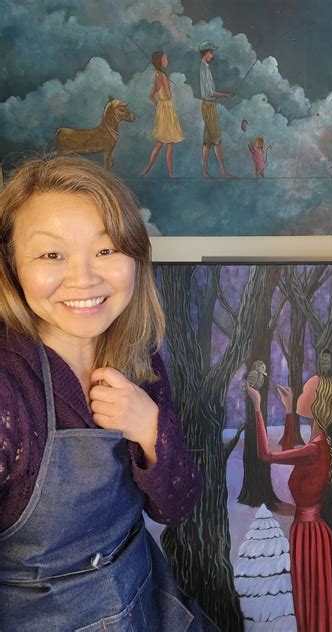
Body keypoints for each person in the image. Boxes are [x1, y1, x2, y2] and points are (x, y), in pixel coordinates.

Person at [0, 154, 216, 631]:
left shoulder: (139, 358)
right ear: (12, 265)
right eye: (51, 255)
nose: (84, 278)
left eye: (106, 249)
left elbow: (177, 505)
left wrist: (151, 429)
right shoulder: (7, 391)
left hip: (146, 599)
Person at [246, 376, 332, 632]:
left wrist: (257, 406)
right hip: (307, 532)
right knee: (307, 599)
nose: (300, 394)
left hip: (311, 534)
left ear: (317, 403)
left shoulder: (314, 450)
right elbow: (290, 448)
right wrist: (289, 409)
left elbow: (266, 455)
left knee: (310, 600)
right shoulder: (316, 445)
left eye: (304, 391)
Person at [141, 51, 184, 178]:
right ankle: (168, 173)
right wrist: (168, 85)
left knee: (162, 143)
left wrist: (158, 104)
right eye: (165, 58)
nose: (167, 60)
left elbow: (151, 96)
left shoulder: (157, 75)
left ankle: (148, 170)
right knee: (168, 143)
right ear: (160, 61)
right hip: (167, 109)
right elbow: (169, 95)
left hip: (162, 108)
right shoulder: (162, 76)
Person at [199, 41, 234, 177]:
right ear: (206, 53)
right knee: (217, 139)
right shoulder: (204, 69)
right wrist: (226, 95)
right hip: (209, 106)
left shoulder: (205, 68)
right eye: (211, 52)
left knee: (208, 141)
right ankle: (224, 172)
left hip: (208, 105)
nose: (212, 55)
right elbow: (210, 92)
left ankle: (205, 171)